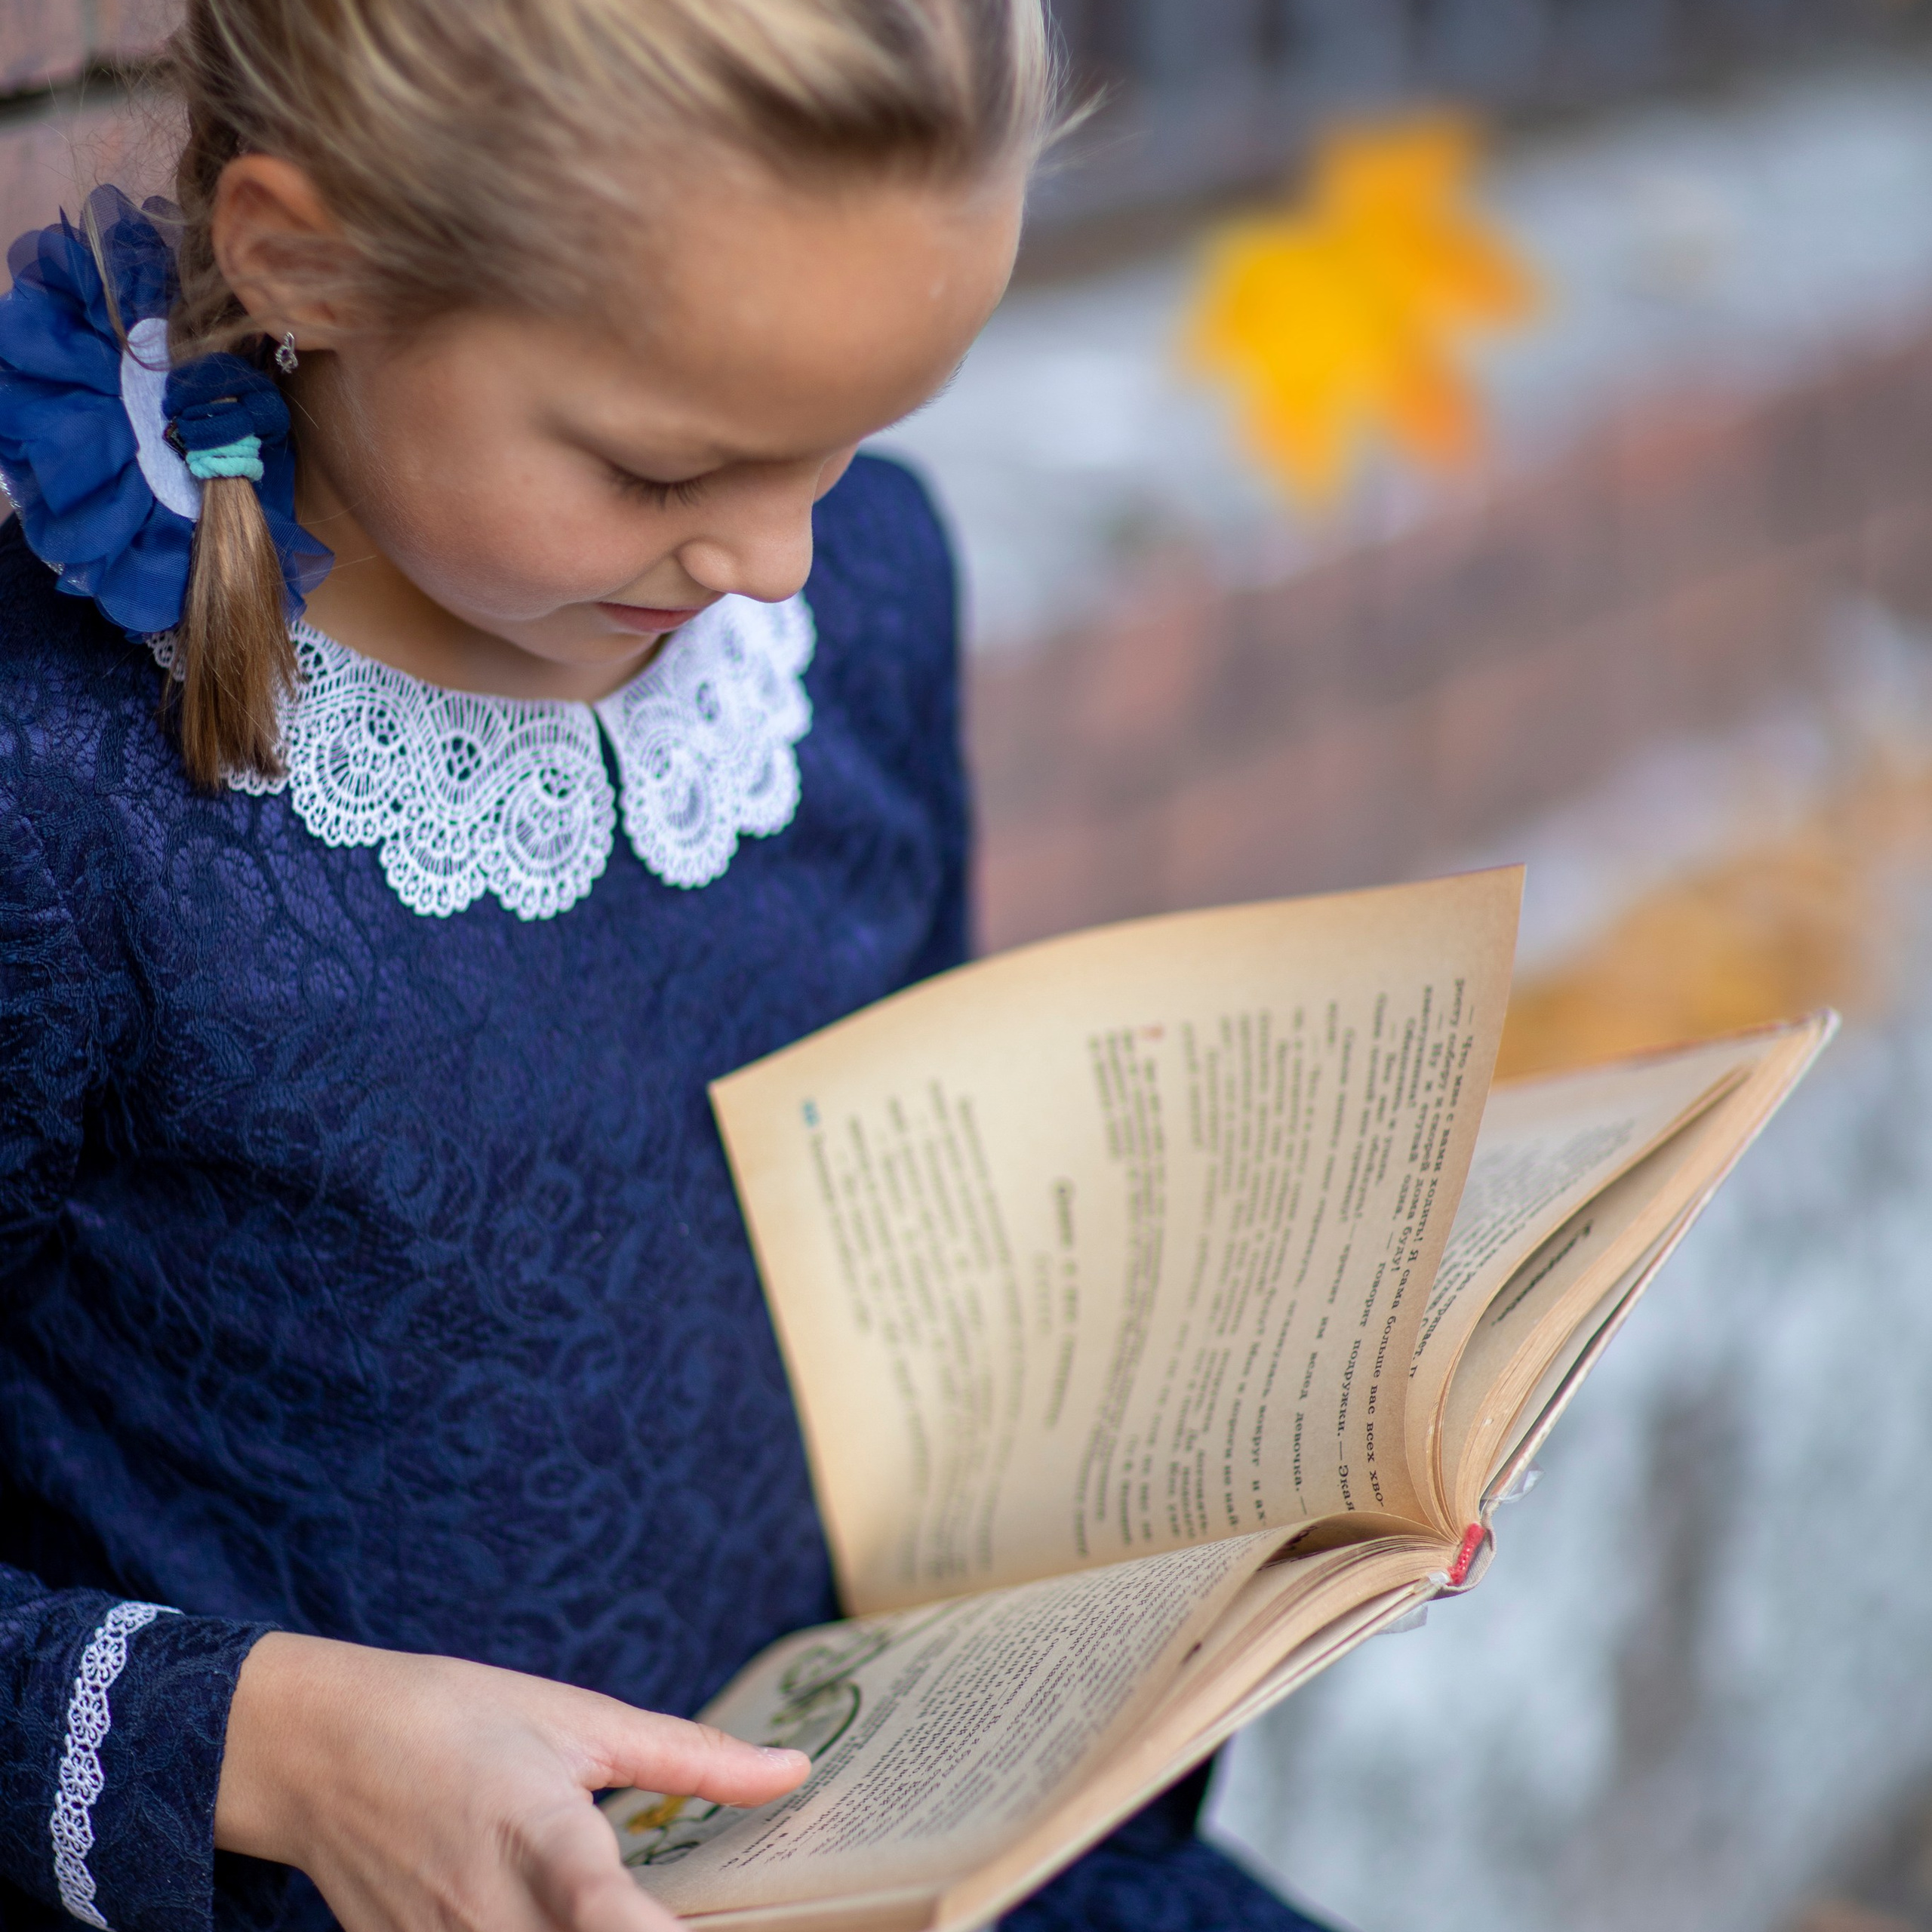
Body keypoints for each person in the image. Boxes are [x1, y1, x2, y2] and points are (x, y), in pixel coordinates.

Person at [0, 5, 1340, 1930]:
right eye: (661, 467)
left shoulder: (862, 600)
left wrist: (1242, 1492)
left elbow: (917, 1278)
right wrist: (278, 1745)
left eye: (852, 440)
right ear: (308, 261)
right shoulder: (60, 791)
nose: (784, 557)